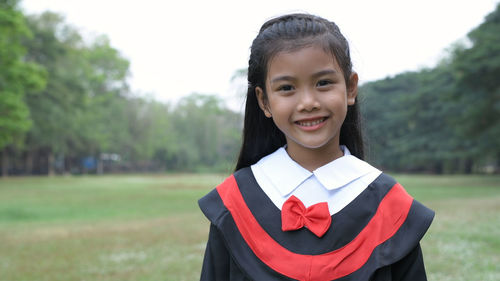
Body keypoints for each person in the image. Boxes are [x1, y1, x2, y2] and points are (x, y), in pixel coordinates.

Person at [198, 13, 434, 281]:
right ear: (264, 101)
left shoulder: (390, 207)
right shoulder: (234, 203)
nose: (308, 102)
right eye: (287, 88)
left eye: (323, 83)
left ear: (350, 88)